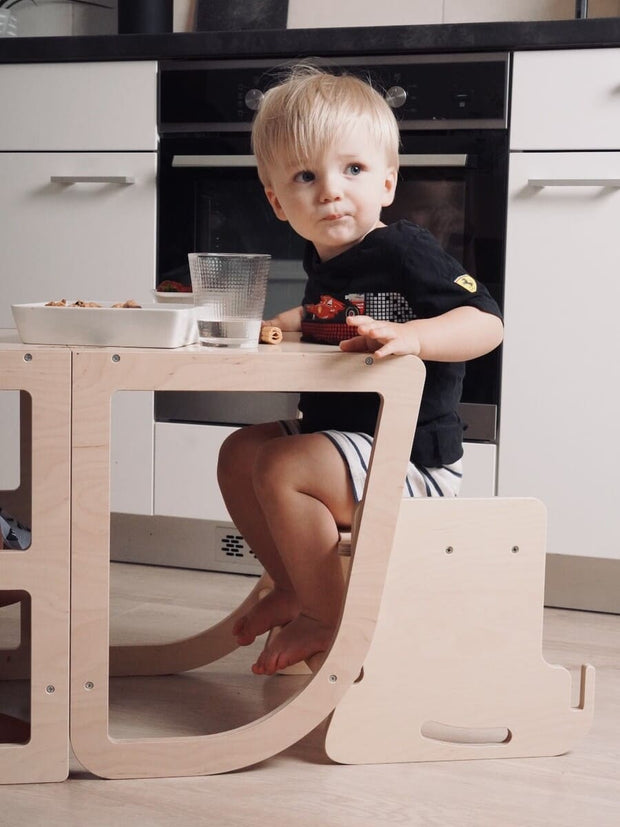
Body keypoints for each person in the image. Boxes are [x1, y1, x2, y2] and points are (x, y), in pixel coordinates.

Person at [217, 65, 504, 676]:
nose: (330, 191)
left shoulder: (404, 249)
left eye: (352, 169)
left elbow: (486, 322)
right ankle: (291, 584)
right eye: (306, 176)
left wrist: (416, 336)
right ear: (277, 201)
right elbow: (331, 314)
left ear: (388, 181)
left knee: (282, 465)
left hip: (412, 461)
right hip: (346, 442)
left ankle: (327, 617)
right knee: (240, 453)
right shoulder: (326, 261)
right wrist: (287, 323)